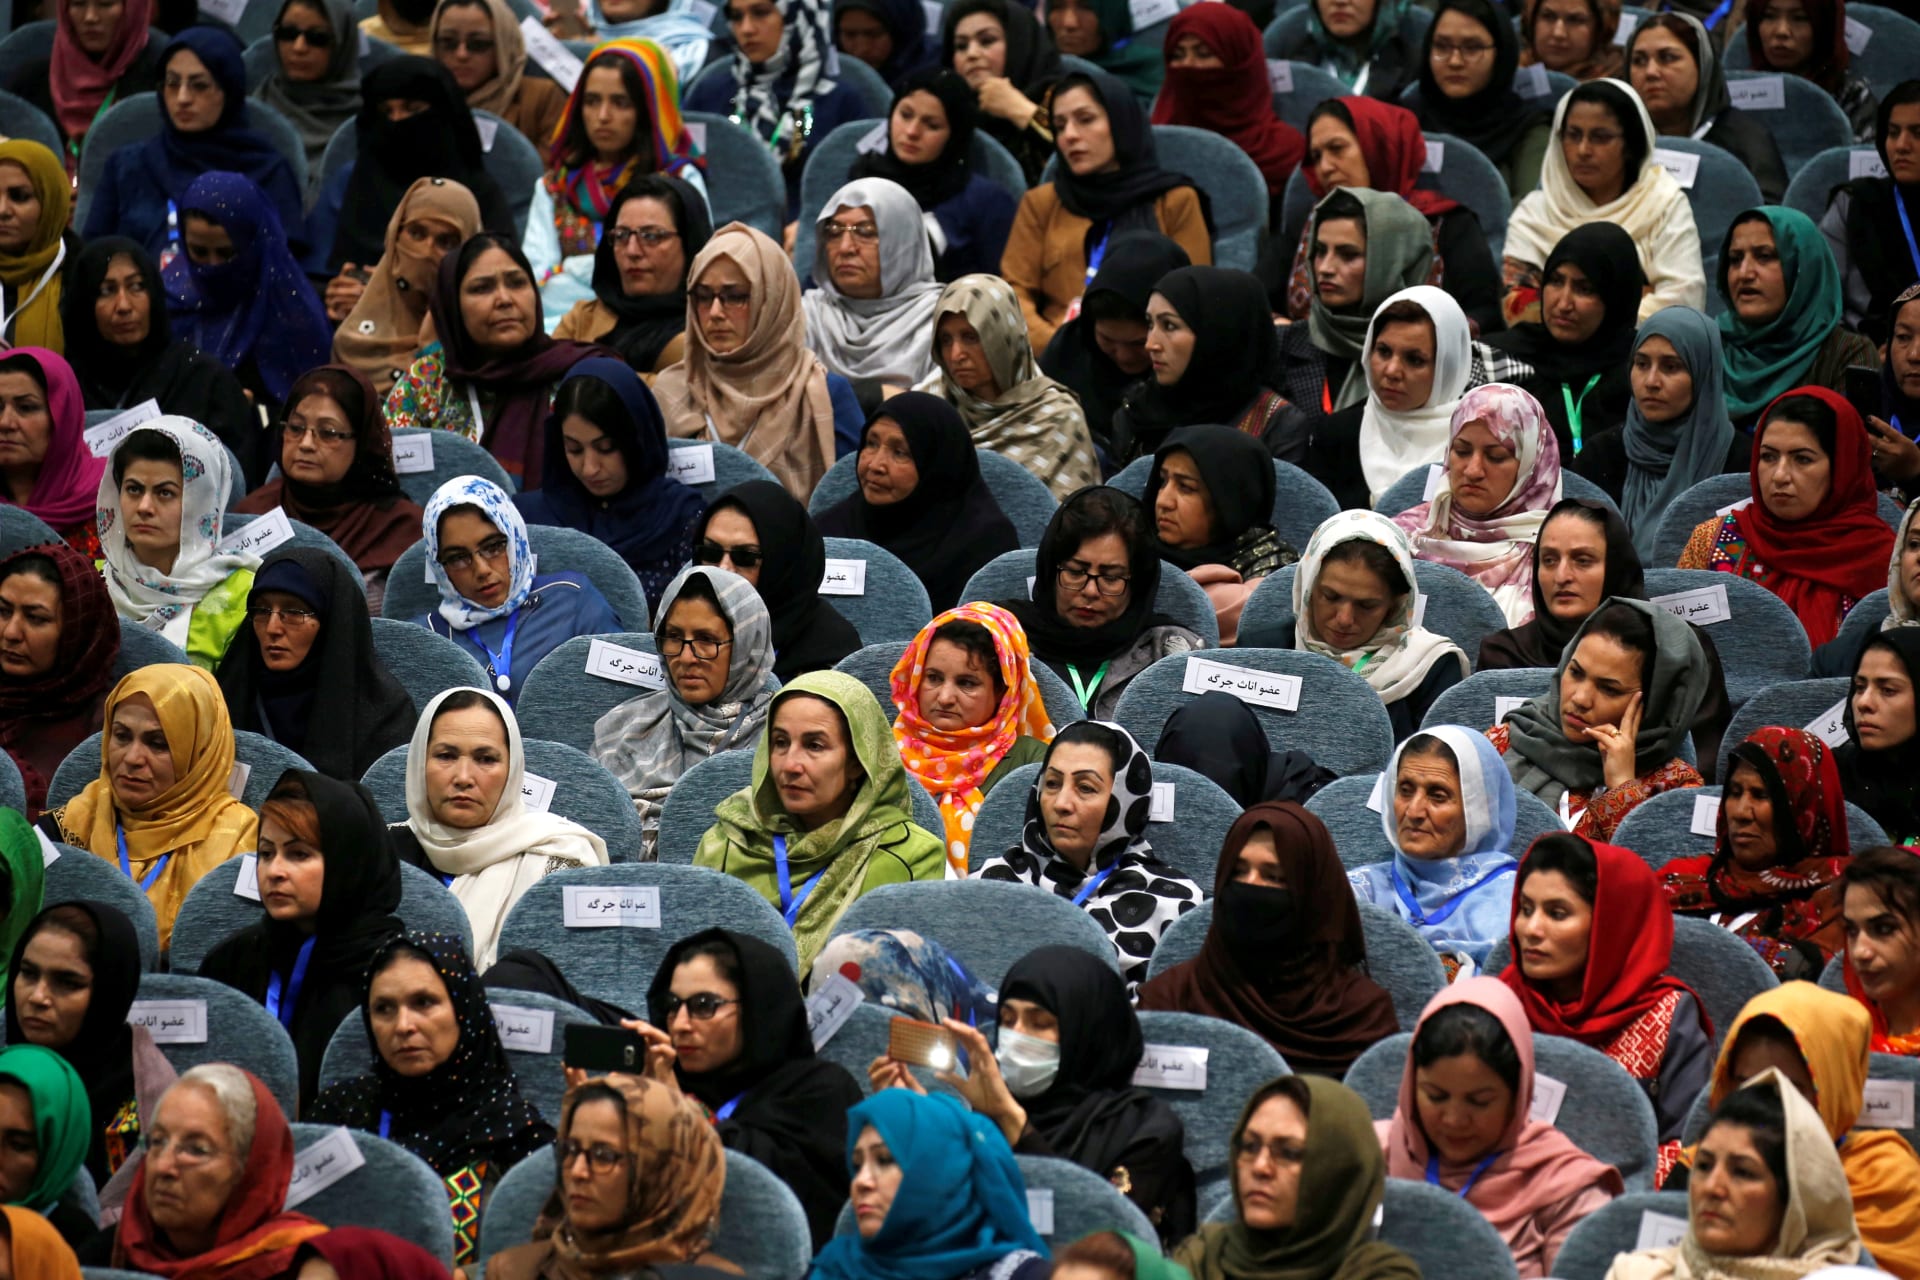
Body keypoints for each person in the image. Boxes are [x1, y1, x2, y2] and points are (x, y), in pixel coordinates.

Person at [869, 945, 1196, 1242]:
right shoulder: (982, 1118)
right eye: (1008, 1021)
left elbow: (1087, 1234)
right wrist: (915, 1130)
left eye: (1040, 1023)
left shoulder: (1148, 1130)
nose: (1016, 1037)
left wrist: (1013, 1121)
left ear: (1088, 1031)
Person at [307, 933, 555, 1270]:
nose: (403, 1026)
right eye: (384, 1009)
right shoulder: (341, 1113)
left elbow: (550, 1257)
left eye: (423, 1002)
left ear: (463, 1010)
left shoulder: (514, 1132)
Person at [695, 671, 945, 970]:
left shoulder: (911, 855)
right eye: (780, 742)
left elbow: (904, 981)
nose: (790, 765)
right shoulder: (731, 838)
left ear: (857, 761)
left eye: (814, 746)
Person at [634, 928, 862, 1249]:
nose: (681, 1024)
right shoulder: (657, 1081)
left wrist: (677, 1110)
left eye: (703, 1004)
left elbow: (762, 1201)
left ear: (759, 1007)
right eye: (672, 1005)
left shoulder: (821, 1092)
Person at [1675, 982, 1920, 1280]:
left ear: (1833, 1092)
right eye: (1745, 1084)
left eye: (1786, 1089)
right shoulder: (1700, 1165)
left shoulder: (1883, 1180)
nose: (1761, 1106)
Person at [1382, 979, 1622, 1277]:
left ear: (1518, 1096)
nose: (1454, 1119)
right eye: (1436, 1096)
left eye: (1479, 1102)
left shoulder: (1566, 1187)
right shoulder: (1373, 1155)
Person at [1138, 802, 1399, 1075]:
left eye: (1273, 876)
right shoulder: (1168, 1002)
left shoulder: (1363, 1018)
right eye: (1238, 872)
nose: (1250, 886)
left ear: (1311, 894)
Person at [1476, 500, 1733, 773]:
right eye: (1549, 560)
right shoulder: (1503, 653)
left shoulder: (1675, 652)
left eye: (1582, 560)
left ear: (1615, 567)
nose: (1562, 576)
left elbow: (1703, 770)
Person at [197, 770, 404, 1108]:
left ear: (345, 864)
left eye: (298, 854)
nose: (275, 871)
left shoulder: (391, 973)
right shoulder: (230, 961)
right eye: (266, 853)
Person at [1500, 833, 1715, 1148]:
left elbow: (1685, 1150)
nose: (1531, 929)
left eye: (1557, 913)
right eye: (1526, 909)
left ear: (1609, 925)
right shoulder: (1503, 1001)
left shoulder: (1668, 1018)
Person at [973, 722, 1204, 991]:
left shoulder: (1173, 904)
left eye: (1085, 788)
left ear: (1125, 801)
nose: (1061, 803)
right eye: (1052, 783)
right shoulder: (990, 884)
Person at [40, 664, 258, 946]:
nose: (132, 758)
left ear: (199, 752)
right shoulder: (75, 819)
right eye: (121, 736)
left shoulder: (241, 843)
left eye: (157, 743)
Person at [390, 690, 609, 967]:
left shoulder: (560, 858)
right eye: (446, 756)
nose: (464, 778)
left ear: (513, 768)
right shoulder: (377, 852)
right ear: (420, 762)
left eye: (486, 759)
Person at [1001, 68, 1211, 352]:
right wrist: (1059, 348)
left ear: (1121, 122)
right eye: (1060, 126)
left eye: (1085, 120)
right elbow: (1014, 292)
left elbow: (1193, 297)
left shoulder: (1175, 200)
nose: (1070, 136)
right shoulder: (1041, 203)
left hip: (1146, 356)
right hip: (1052, 359)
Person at [654, 223, 862, 499]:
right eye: (703, 297)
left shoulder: (823, 395)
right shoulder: (670, 392)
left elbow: (851, 503)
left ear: (773, 299)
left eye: (735, 296)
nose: (715, 312)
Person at [384, 234, 611, 487]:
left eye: (516, 283)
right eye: (482, 288)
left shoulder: (577, 376)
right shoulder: (428, 380)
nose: (504, 299)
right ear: (452, 305)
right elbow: (385, 476)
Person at [1677, 389, 1892, 649]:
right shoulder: (1712, 542)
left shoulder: (1884, 562)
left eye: (1802, 459)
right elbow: (1676, 645)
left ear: (1841, 467)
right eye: (1768, 457)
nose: (1779, 475)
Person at [1601, 1071, 1864, 1280]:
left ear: (1795, 1196)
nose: (1712, 1188)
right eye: (1703, 1166)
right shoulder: (1637, 1274)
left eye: (1743, 1172)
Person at [1275, 98, 1500, 338]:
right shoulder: (1312, 221)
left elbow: (1486, 313)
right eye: (1316, 156)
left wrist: (1431, 341)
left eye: (1337, 149)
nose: (1325, 167)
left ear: (1378, 147)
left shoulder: (1447, 223)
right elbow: (1259, 296)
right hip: (1313, 366)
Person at [80, 27, 308, 262]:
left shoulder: (267, 171)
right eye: (172, 83)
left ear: (228, 91)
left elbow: (284, 270)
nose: (183, 98)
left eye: (199, 86)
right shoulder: (127, 166)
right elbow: (92, 259)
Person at [524, 40, 706, 328]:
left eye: (620, 103)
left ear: (646, 109)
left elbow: (693, 273)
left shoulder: (679, 183)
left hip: (658, 325)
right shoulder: (554, 186)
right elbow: (537, 282)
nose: (603, 116)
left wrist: (573, 269)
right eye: (592, 101)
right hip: (562, 328)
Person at [1488, 599, 1706, 839]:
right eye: (1575, 672)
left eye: (1609, 689)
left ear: (1655, 703)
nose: (1580, 699)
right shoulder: (1506, 741)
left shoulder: (1675, 786)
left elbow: (1657, 870)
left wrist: (1623, 788)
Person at [592, 566, 774, 852]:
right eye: (674, 637)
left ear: (746, 645)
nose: (687, 657)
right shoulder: (620, 729)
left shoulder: (781, 736)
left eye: (707, 640)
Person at [480, 1074, 730, 1280]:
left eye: (604, 1156)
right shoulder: (513, 1272)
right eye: (571, 1150)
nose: (577, 1172)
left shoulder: (713, 1277)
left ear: (658, 1169)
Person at [1172, 1076, 1420, 1280]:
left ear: (1338, 1171)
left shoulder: (1380, 1274)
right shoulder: (1203, 1256)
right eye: (1249, 1146)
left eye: (1289, 1153)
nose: (1260, 1167)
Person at [1502, 80, 1702, 326]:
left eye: (1600, 137)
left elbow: (1683, 306)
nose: (1583, 150)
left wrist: (1571, 313)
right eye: (1573, 135)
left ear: (1630, 145)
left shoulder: (1664, 204)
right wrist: (1633, 297)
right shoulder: (1534, 213)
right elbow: (1519, 308)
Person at [161, 171, 333, 457]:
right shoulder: (170, 299)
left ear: (254, 244)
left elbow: (313, 408)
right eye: (199, 252)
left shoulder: (290, 312)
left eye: (227, 253)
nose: (213, 266)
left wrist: (252, 410)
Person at [230, 365, 427, 613]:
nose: (306, 444)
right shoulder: (254, 514)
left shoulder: (401, 527)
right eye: (296, 428)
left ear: (362, 442)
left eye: (328, 433)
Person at [102, 1065, 331, 1276]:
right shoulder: (115, 1250)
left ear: (250, 1170)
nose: (163, 1167)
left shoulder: (302, 1266)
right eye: (158, 1142)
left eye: (195, 1150)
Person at [1662, 729, 1854, 981]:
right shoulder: (1685, 878)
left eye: (1761, 795)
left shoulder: (1844, 903)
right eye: (1735, 792)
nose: (1740, 812)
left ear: (1802, 807)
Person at [213, 547, 416, 781]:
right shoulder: (227, 695)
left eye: (293, 612)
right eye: (262, 610)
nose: (272, 628)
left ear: (330, 622)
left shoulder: (385, 717)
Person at [5, 903, 168, 1193]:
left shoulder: (150, 1106)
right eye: (28, 973)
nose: (38, 997)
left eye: (67, 982)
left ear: (108, 992)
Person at [513, 359, 705, 603]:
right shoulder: (526, 518)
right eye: (574, 449)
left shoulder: (683, 517)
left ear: (637, 441)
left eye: (606, 448)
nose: (590, 468)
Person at [1003, 487, 1203, 720]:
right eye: (1076, 572)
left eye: (1111, 578)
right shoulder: (1002, 637)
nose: (1090, 591)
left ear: (1137, 584)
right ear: (1050, 570)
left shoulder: (1169, 652)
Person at [811, 1088, 1049, 1280]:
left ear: (938, 1174)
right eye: (857, 1165)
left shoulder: (1021, 1275)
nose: (861, 1182)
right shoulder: (835, 1267)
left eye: (884, 1160)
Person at [310, 58, 512, 284]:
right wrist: (333, 293)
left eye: (412, 109)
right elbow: (311, 274)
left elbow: (498, 279)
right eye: (386, 111)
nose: (397, 121)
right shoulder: (349, 182)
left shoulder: (477, 190)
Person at [887, 603, 1053, 876]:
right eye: (933, 678)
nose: (944, 697)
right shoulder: (879, 750)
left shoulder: (1034, 764)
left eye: (967, 683)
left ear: (1003, 691)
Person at [58, 239, 257, 465]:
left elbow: (234, 473)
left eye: (137, 286)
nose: (123, 305)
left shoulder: (201, 378)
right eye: (106, 290)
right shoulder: (66, 386)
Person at [817, 391, 1019, 612]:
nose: (875, 465)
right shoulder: (830, 530)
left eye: (900, 452)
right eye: (871, 443)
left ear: (936, 465)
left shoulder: (985, 544)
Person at [1574, 307, 1744, 558]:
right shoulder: (1600, 455)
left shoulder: (1740, 463)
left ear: (1703, 374)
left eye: (1671, 367)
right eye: (1641, 364)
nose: (1651, 381)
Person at [916, 273, 1101, 502]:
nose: (956, 355)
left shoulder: (1058, 418)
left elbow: (1074, 521)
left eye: (971, 337)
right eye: (946, 340)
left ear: (1005, 337)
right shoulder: (926, 408)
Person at [680, 0, 872, 219]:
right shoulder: (710, 92)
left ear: (797, 16)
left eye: (760, 13)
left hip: (811, 238)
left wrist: (813, 226)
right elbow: (687, 177)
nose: (746, 29)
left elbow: (859, 190)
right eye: (736, 17)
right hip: (719, 233)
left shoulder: (841, 100)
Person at [1349, 727, 1519, 974]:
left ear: (1478, 810)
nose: (1414, 812)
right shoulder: (1360, 891)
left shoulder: (1514, 906)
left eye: (1437, 796)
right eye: (1405, 790)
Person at [1394, 383, 1565, 627]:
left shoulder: (1558, 556)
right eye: (1462, 451)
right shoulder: (1403, 537)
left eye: (1496, 456)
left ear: (1531, 466)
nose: (1473, 471)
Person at [1287, 511, 1468, 740]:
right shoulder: (1265, 651)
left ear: (1395, 605)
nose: (1344, 619)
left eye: (1367, 606)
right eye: (1331, 597)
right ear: (1308, 587)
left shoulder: (1429, 666)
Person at [98, 421, 258, 668]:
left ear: (201, 502)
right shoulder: (90, 582)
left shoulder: (246, 596)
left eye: (165, 493)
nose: (144, 507)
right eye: (133, 489)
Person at [1313, 285, 1478, 510]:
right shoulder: (1335, 434)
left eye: (1414, 360)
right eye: (1383, 351)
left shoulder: (1476, 441)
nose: (1391, 371)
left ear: (1447, 369)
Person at [1487, 223, 1643, 460]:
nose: (1563, 304)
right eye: (1556, 281)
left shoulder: (1639, 371)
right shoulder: (1499, 359)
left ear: (1616, 299)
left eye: (1584, 289)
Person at [850, 69, 1020, 283]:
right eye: (905, 115)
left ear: (955, 136)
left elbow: (1001, 292)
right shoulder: (863, 180)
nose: (912, 131)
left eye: (932, 125)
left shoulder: (987, 201)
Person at [1109, 266, 1291, 464]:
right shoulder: (1136, 412)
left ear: (1217, 333)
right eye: (1150, 324)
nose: (1150, 344)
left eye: (1169, 326)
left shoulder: (1276, 424)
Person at [1716, 209, 1878, 432]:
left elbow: (1852, 453)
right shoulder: (1711, 346)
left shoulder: (1848, 354)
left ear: (1804, 267)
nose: (1744, 273)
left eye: (1764, 256)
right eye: (1735, 259)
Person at [688, 481, 862, 681]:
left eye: (744, 557)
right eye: (710, 552)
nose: (723, 568)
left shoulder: (828, 653)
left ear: (781, 562)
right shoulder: (683, 624)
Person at [329, 179, 485, 396]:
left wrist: (432, 352)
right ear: (395, 235)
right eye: (417, 233)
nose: (427, 250)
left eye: (446, 242)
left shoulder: (483, 345)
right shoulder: (353, 340)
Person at [1145, 425, 1295, 647]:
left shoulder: (1273, 573)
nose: (1163, 501)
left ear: (1229, 500)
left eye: (1186, 487)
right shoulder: (1134, 548)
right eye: (1163, 481)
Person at [549, 177, 712, 377]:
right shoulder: (584, 318)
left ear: (689, 243)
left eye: (652, 236)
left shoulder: (713, 333)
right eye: (622, 236)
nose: (632, 251)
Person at [0, 543, 119, 818]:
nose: (11, 632)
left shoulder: (107, 725)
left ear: (76, 629)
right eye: (4, 611)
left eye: (36, 618)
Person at [1152, 5, 1305, 218]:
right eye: (1177, 54)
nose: (1188, 65)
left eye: (1204, 53)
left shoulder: (1284, 152)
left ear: (1239, 63)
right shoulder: (1154, 144)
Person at [1626, 13, 1788, 204]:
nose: (1651, 72)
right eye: (1639, 61)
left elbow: (1769, 214)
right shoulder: (1619, 136)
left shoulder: (1745, 138)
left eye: (1668, 57)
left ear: (1703, 65)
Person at [802, 178, 944, 387]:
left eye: (865, 231)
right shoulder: (807, 315)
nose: (845, 247)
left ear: (903, 241)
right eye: (834, 231)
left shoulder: (941, 320)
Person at [1406, 0, 1553, 199]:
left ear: (1500, 54)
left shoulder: (1527, 126)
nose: (1454, 61)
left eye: (1472, 48)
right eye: (1442, 47)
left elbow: (1528, 215)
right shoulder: (1407, 118)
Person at [2, 0, 162, 162]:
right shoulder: (29, 80)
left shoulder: (163, 79)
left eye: (105, 4)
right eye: (78, 4)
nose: (90, 17)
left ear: (131, 9)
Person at [1822, 81, 1920, 344]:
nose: (1901, 145)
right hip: (1871, 357)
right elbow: (1824, 307)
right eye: (1892, 132)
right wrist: (1860, 353)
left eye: (1917, 133)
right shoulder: (1855, 203)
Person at [941, 0, 1062, 186]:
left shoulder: (1062, 96)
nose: (971, 54)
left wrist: (1019, 109)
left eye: (987, 41)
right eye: (961, 46)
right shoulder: (944, 108)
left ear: (1019, 43)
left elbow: (1087, 155)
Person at [1153, 692, 1336, 809]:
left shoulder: (1305, 798)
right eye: (1194, 770)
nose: (1212, 790)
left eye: (1228, 769)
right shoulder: (1144, 798)